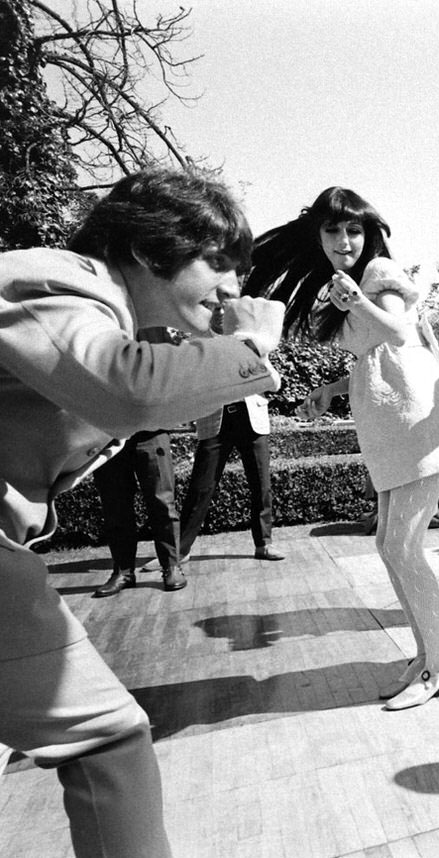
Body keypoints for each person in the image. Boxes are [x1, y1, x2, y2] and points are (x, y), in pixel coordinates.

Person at [0, 168, 284, 857]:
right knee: (105, 737)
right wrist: (249, 348)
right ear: (150, 245)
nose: (232, 288)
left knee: (106, 738)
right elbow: (131, 388)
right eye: (218, 262)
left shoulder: (113, 314)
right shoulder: (47, 276)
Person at [249, 187, 439, 710]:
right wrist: (331, 390)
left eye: (353, 230)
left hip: (415, 421)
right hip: (387, 424)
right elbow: (373, 358)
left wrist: (360, 300)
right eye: (332, 231)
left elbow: (398, 330)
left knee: (402, 548)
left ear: (369, 234)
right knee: (388, 547)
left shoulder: (378, 274)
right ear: (318, 236)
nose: (344, 240)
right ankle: (426, 656)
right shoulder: (343, 287)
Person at [90, 327, 189, 596]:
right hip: (110, 431)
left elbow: (168, 365)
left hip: (151, 429)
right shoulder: (97, 320)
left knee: (162, 501)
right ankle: (123, 571)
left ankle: (171, 566)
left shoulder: (151, 321)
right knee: (115, 505)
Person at [177, 392, 284, 562]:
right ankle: (179, 551)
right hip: (214, 416)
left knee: (261, 484)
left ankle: (264, 543)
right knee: (201, 486)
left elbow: (269, 375)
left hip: (251, 415)